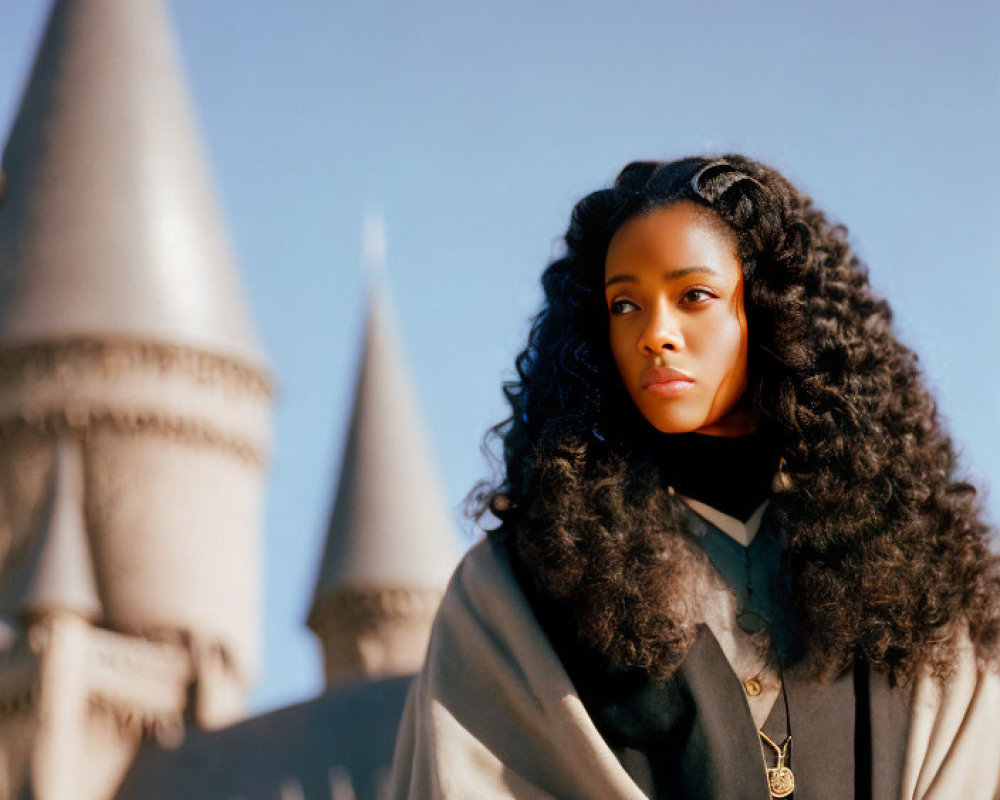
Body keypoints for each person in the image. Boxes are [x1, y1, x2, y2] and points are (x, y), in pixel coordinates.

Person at [386, 156, 1000, 799]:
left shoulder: (922, 580)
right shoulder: (510, 596)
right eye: (624, 304)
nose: (656, 334)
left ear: (769, 309)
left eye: (694, 296)